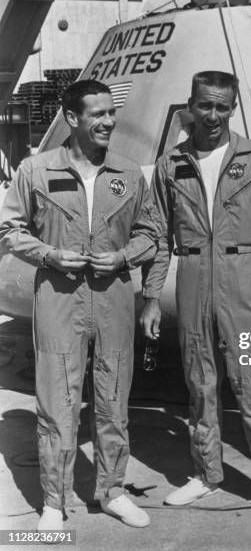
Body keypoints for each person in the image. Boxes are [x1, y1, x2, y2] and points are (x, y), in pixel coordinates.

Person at [141, 70, 251, 528]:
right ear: (190, 105)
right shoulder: (171, 164)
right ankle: (206, 472)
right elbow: (155, 233)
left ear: (233, 108)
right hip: (192, 277)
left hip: (245, 279)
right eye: (204, 105)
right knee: (199, 382)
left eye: (221, 106)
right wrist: (152, 295)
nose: (212, 115)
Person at [0, 79, 159, 531]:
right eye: (98, 114)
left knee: (113, 401)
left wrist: (124, 256)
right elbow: (9, 230)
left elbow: (151, 234)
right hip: (59, 299)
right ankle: (55, 501)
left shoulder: (128, 174)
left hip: (113, 299)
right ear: (72, 118)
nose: (109, 121)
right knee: (57, 404)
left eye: (112, 113)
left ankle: (111, 491)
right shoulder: (35, 170)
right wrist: (49, 255)